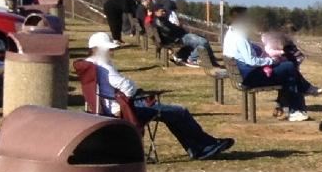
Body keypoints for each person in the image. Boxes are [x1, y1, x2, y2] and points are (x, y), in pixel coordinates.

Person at [84, 32, 234, 160]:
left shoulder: (89, 64)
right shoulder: (104, 65)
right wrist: (136, 92)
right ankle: (203, 147)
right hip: (123, 108)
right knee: (179, 111)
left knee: (172, 114)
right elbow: (126, 86)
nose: (111, 52)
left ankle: (202, 146)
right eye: (108, 49)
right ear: (98, 49)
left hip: (110, 107)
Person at [222, 6, 314, 121]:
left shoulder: (230, 33)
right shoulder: (240, 36)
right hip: (249, 77)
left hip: (241, 74)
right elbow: (251, 61)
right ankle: (298, 105)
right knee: (289, 66)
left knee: (288, 71)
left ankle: (295, 103)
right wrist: (271, 61)